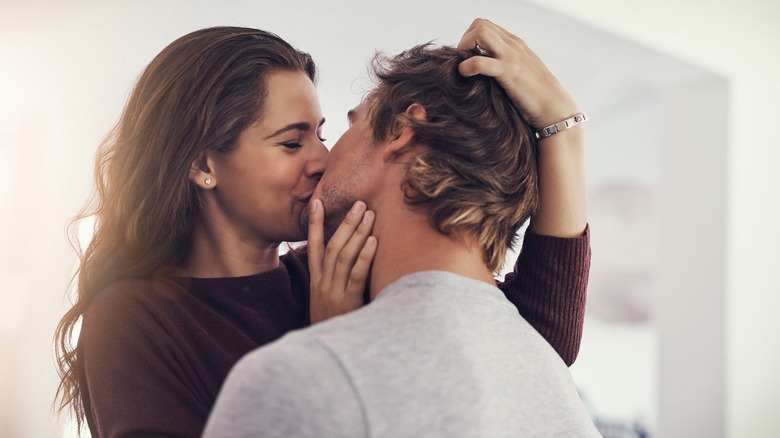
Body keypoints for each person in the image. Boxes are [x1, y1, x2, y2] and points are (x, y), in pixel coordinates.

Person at [54, 22, 590, 437]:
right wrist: (331, 344)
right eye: (292, 142)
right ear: (202, 165)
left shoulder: (334, 261)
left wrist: (561, 131)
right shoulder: (136, 319)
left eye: (323, 133)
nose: (321, 158)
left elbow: (528, 337)